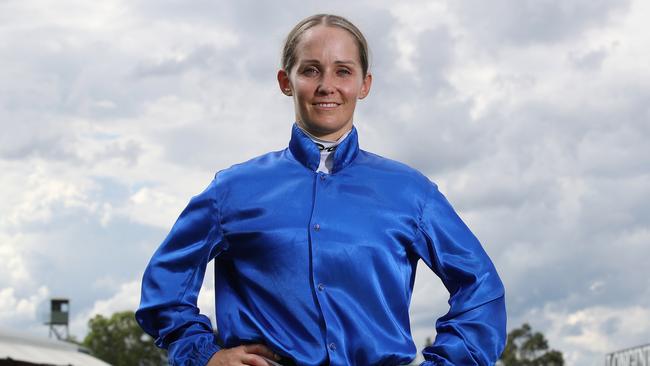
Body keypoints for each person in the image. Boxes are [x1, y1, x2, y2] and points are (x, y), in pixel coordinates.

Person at [136, 14, 506, 366]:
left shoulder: (411, 192)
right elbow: (165, 288)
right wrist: (202, 354)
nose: (327, 84)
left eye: (343, 71)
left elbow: (481, 288)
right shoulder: (231, 190)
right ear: (286, 81)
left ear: (364, 84)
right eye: (310, 70)